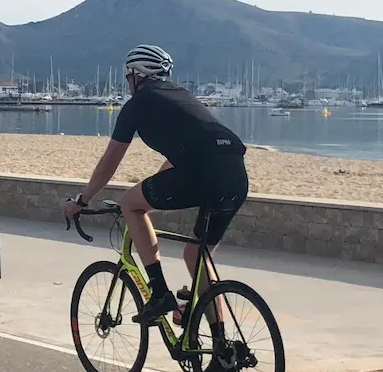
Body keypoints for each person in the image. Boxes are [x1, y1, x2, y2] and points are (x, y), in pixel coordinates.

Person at [63, 45, 249, 324]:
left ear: (136, 75)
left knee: (130, 203)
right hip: (235, 174)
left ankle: (160, 293)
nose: (128, 84)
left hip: (201, 173)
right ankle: (222, 347)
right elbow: (184, 155)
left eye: (128, 78)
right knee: (197, 257)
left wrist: (81, 201)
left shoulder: (138, 105)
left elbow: (109, 162)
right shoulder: (182, 95)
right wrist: (150, 187)